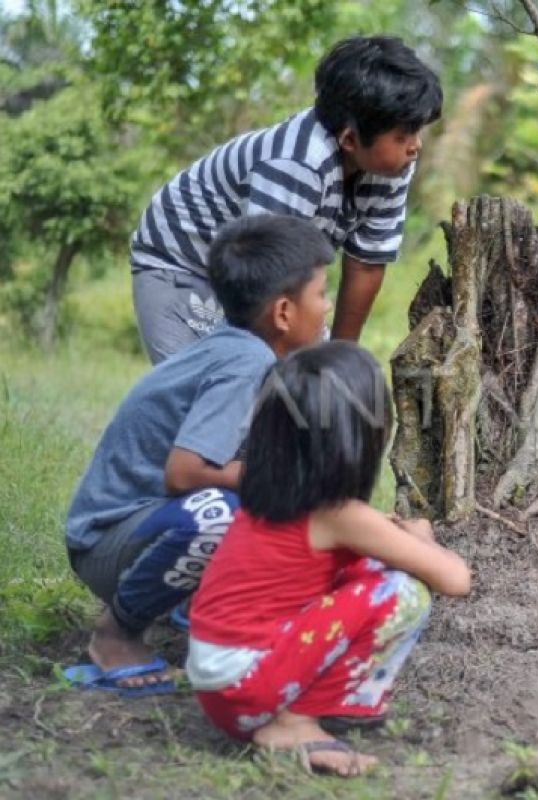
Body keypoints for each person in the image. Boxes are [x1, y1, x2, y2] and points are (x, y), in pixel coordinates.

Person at [63, 214, 335, 695]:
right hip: (108, 543)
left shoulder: (240, 352)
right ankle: (117, 634)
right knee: (221, 512)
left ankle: (200, 616)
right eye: (321, 294)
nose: (328, 307)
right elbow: (184, 473)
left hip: (146, 530)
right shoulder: (244, 361)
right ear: (284, 313)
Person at [186, 341, 471, 777]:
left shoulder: (268, 500)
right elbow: (456, 579)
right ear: (359, 441)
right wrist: (424, 538)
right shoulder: (339, 515)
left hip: (218, 685)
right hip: (246, 687)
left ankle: (303, 706)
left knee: (366, 568)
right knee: (401, 591)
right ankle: (293, 725)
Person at [130, 35, 442, 363]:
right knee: (213, 388)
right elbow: (264, 277)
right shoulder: (297, 163)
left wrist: (336, 362)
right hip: (182, 264)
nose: (415, 146)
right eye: (402, 136)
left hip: (266, 270)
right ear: (350, 138)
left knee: (300, 384)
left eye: (416, 132)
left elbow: (366, 263)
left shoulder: (391, 164)